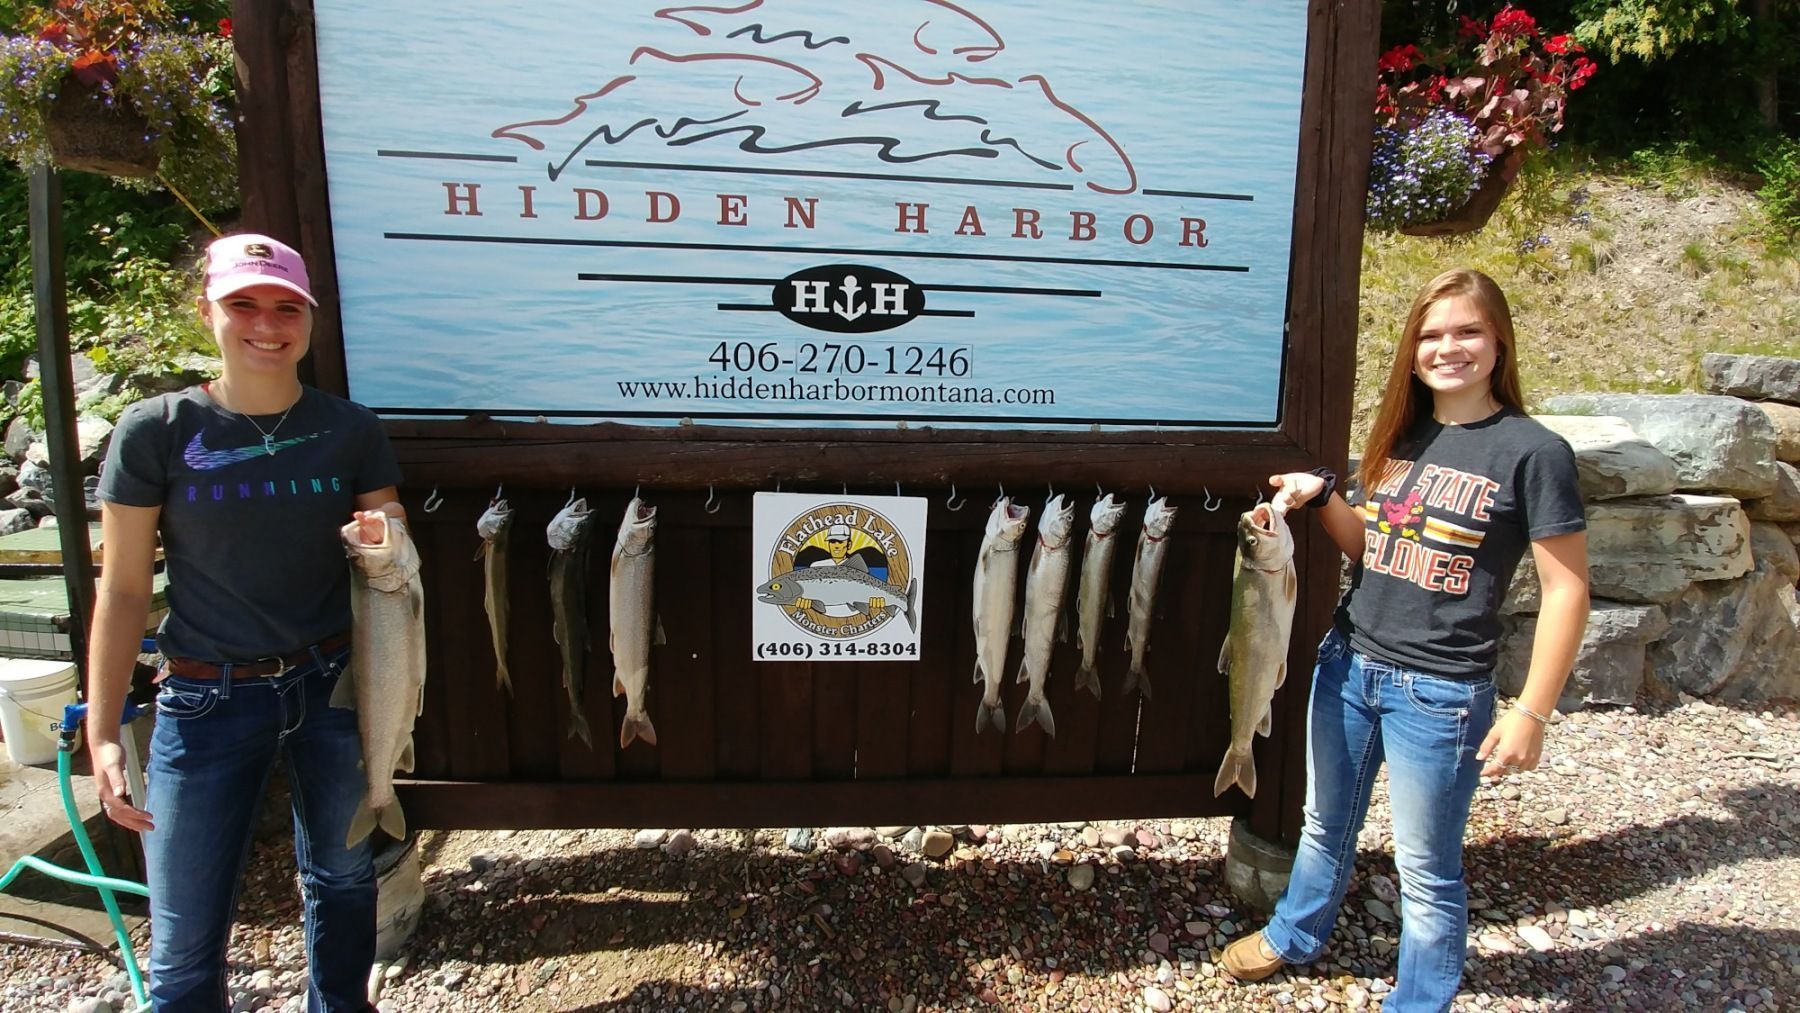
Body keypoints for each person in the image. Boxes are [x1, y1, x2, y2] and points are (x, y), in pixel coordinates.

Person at [1223, 268, 1589, 1012]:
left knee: (1426, 867)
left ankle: (1420, 998)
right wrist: (1323, 496)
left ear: (1499, 341)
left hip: (1444, 692)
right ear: (1411, 348)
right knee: (1325, 824)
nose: (1447, 347)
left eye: (1467, 331)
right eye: (1431, 334)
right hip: (1350, 662)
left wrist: (1532, 713)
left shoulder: (1534, 451)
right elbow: (1373, 545)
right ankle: (1295, 932)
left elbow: (1567, 589)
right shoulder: (1401, 435)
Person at [85, 233, 403, 1012]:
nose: (268, 322)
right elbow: (124, 590)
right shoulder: (154, 429)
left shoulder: (350, 429)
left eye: (285, 306)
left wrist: (383, 540)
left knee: (343, 876)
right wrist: (101, 731)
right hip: (205, 699)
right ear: (208, 314)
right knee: (186, 931)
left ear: (310, 320)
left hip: (335, 686)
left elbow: (392, 546)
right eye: (244, 304)